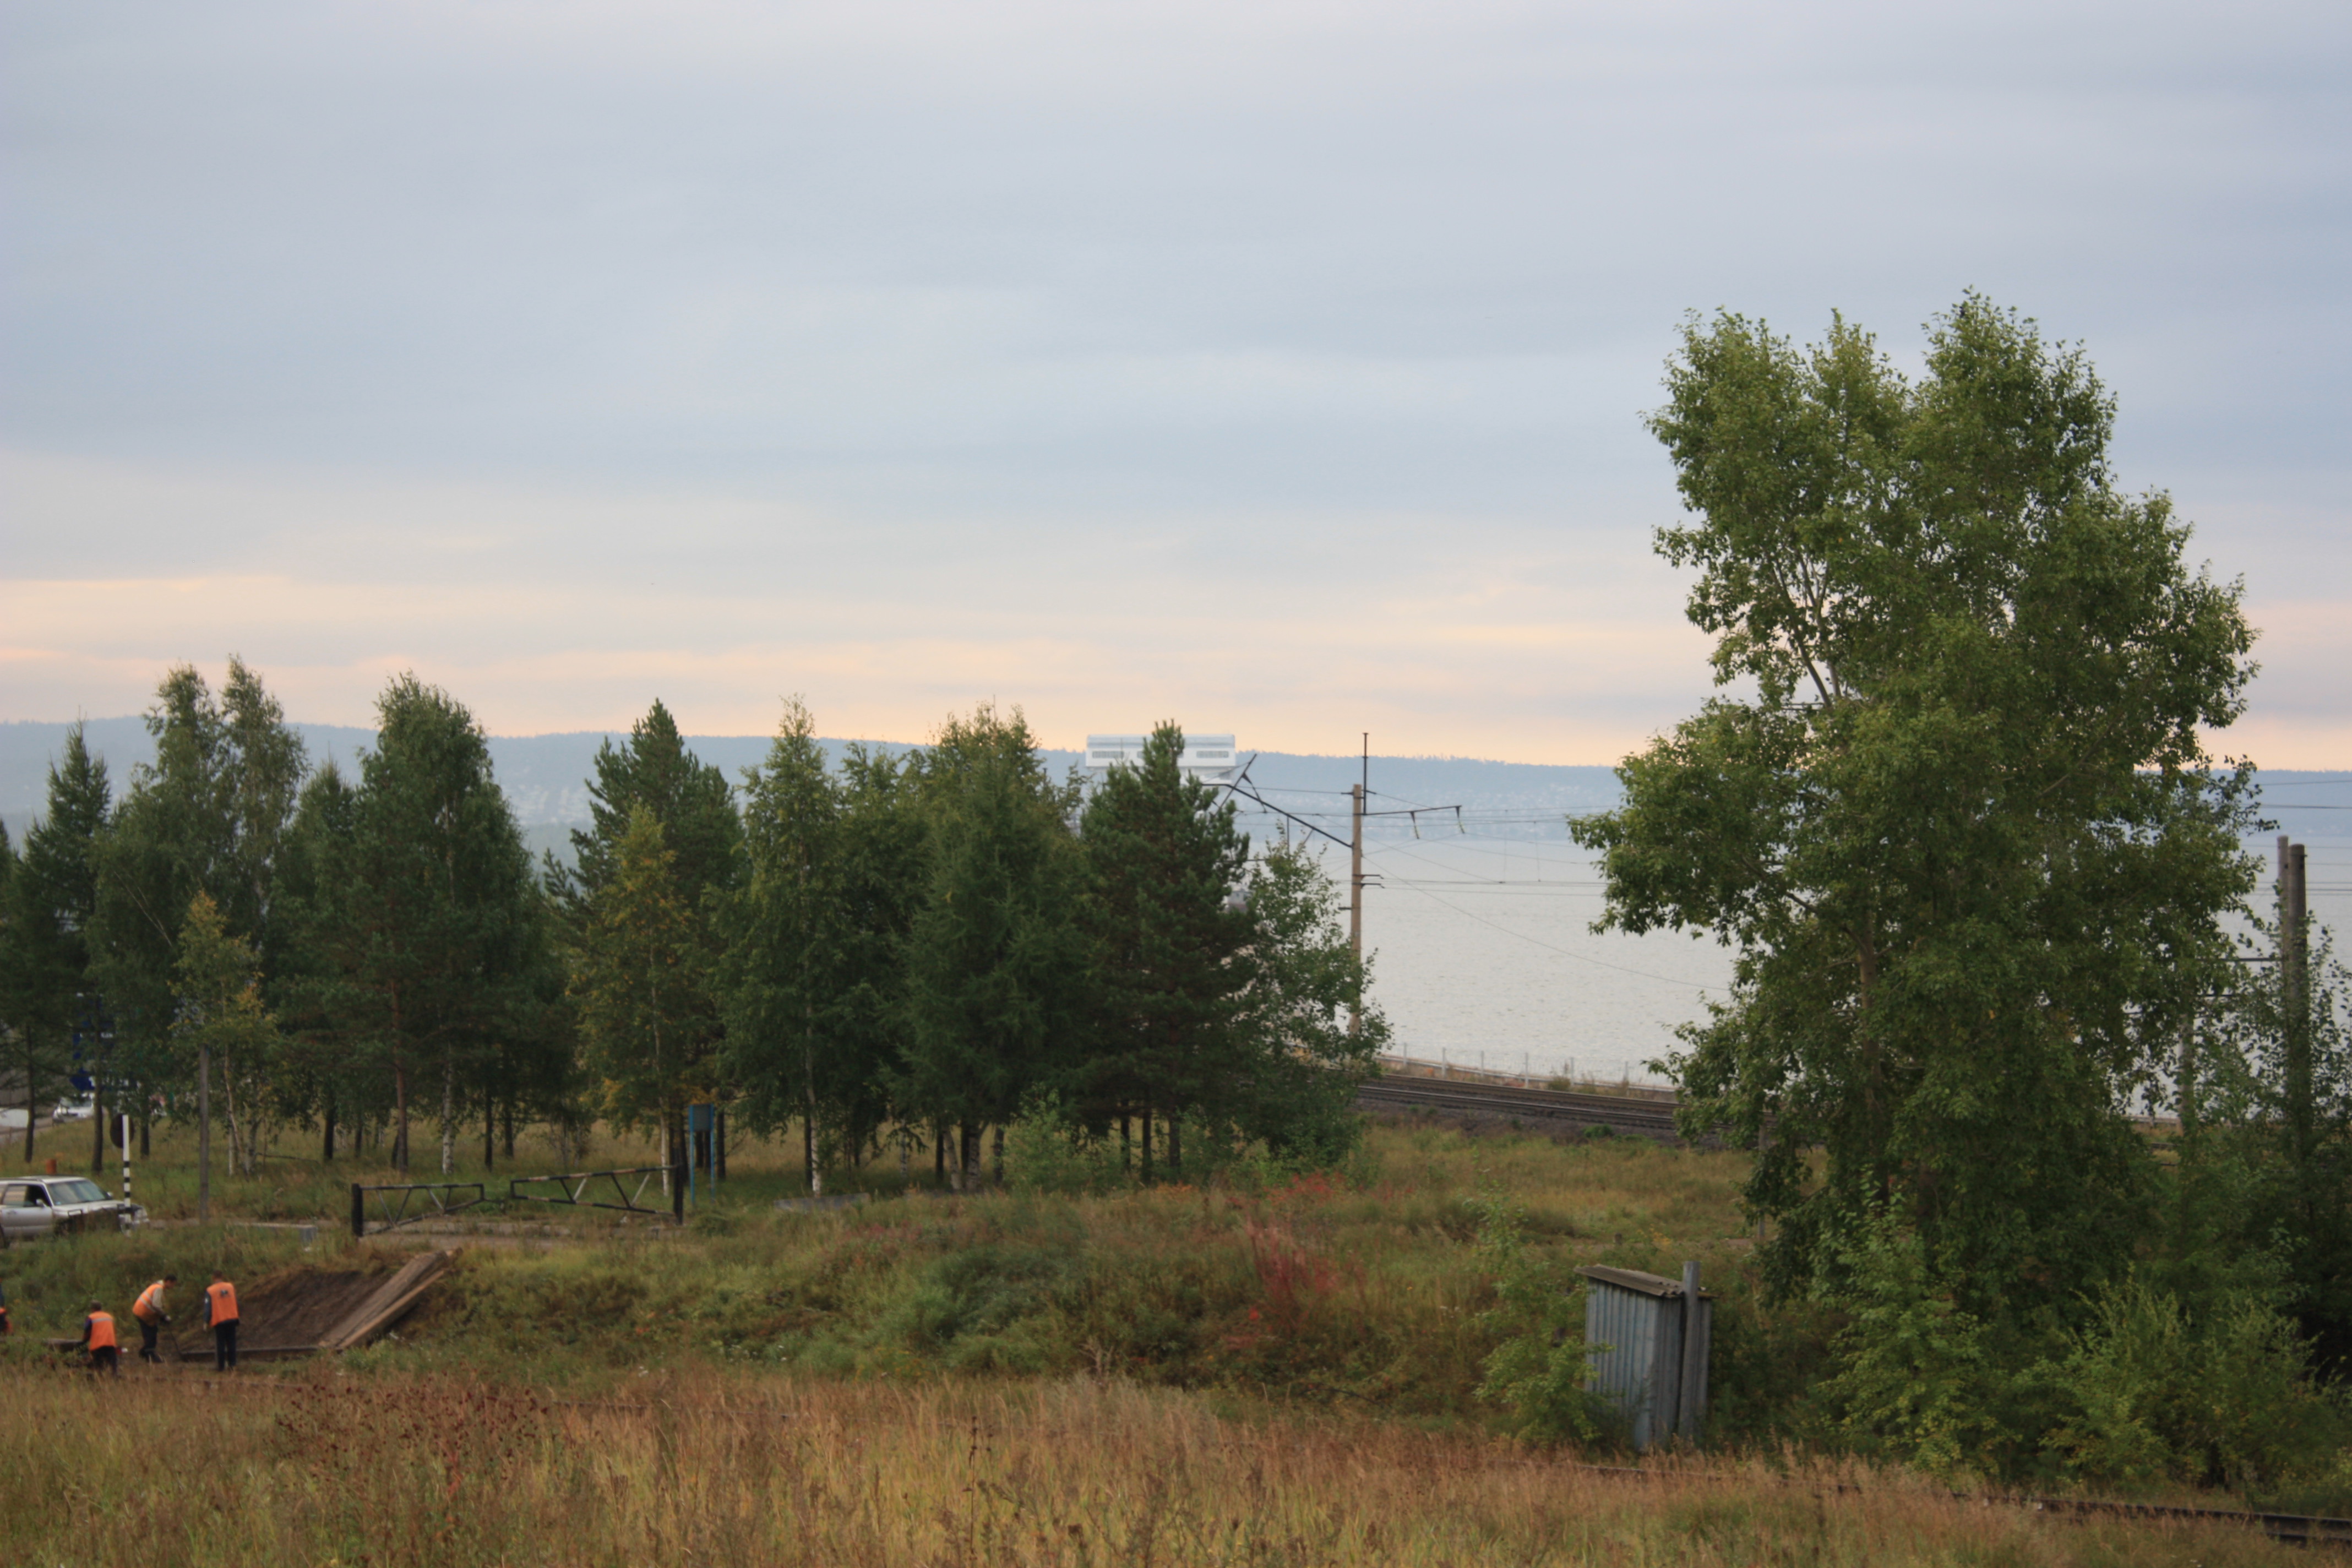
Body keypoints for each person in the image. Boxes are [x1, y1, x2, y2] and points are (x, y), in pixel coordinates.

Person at [132, 1273, 177, 1364]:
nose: (173, 1287)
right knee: (151, 1334)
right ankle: (149, 1355)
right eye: (173, 1284)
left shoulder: (156, 1286)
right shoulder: (159, 1288)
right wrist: (164, 1316)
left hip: (142, 1312)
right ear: (168, 1282)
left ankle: (145, 1352)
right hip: (144, 1313)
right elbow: (156, 1305)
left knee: (151, 1333)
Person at [202, 1271, 239, 1371]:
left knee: (220, 1344)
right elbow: (236, 1301)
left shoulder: (210, 1290)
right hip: (232, 1318)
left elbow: (208, 1308)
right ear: (222, 1276)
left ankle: (221, 1367)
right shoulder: (230, 1287)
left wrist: (206, 1321)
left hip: (219, 1320)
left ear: (213, 1278)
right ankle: (233, 1365)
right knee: (232, 1343)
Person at [83, 1300, 120, 1378]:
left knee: (99, 1365)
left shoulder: (91, 1317)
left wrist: (84, 1342)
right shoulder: (109, 1317)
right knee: (113, 1364)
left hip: (98, 1344)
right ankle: (115, 1377)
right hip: (111, 1343)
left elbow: (87, 1330)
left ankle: (100, 1379)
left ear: (92, 1309)